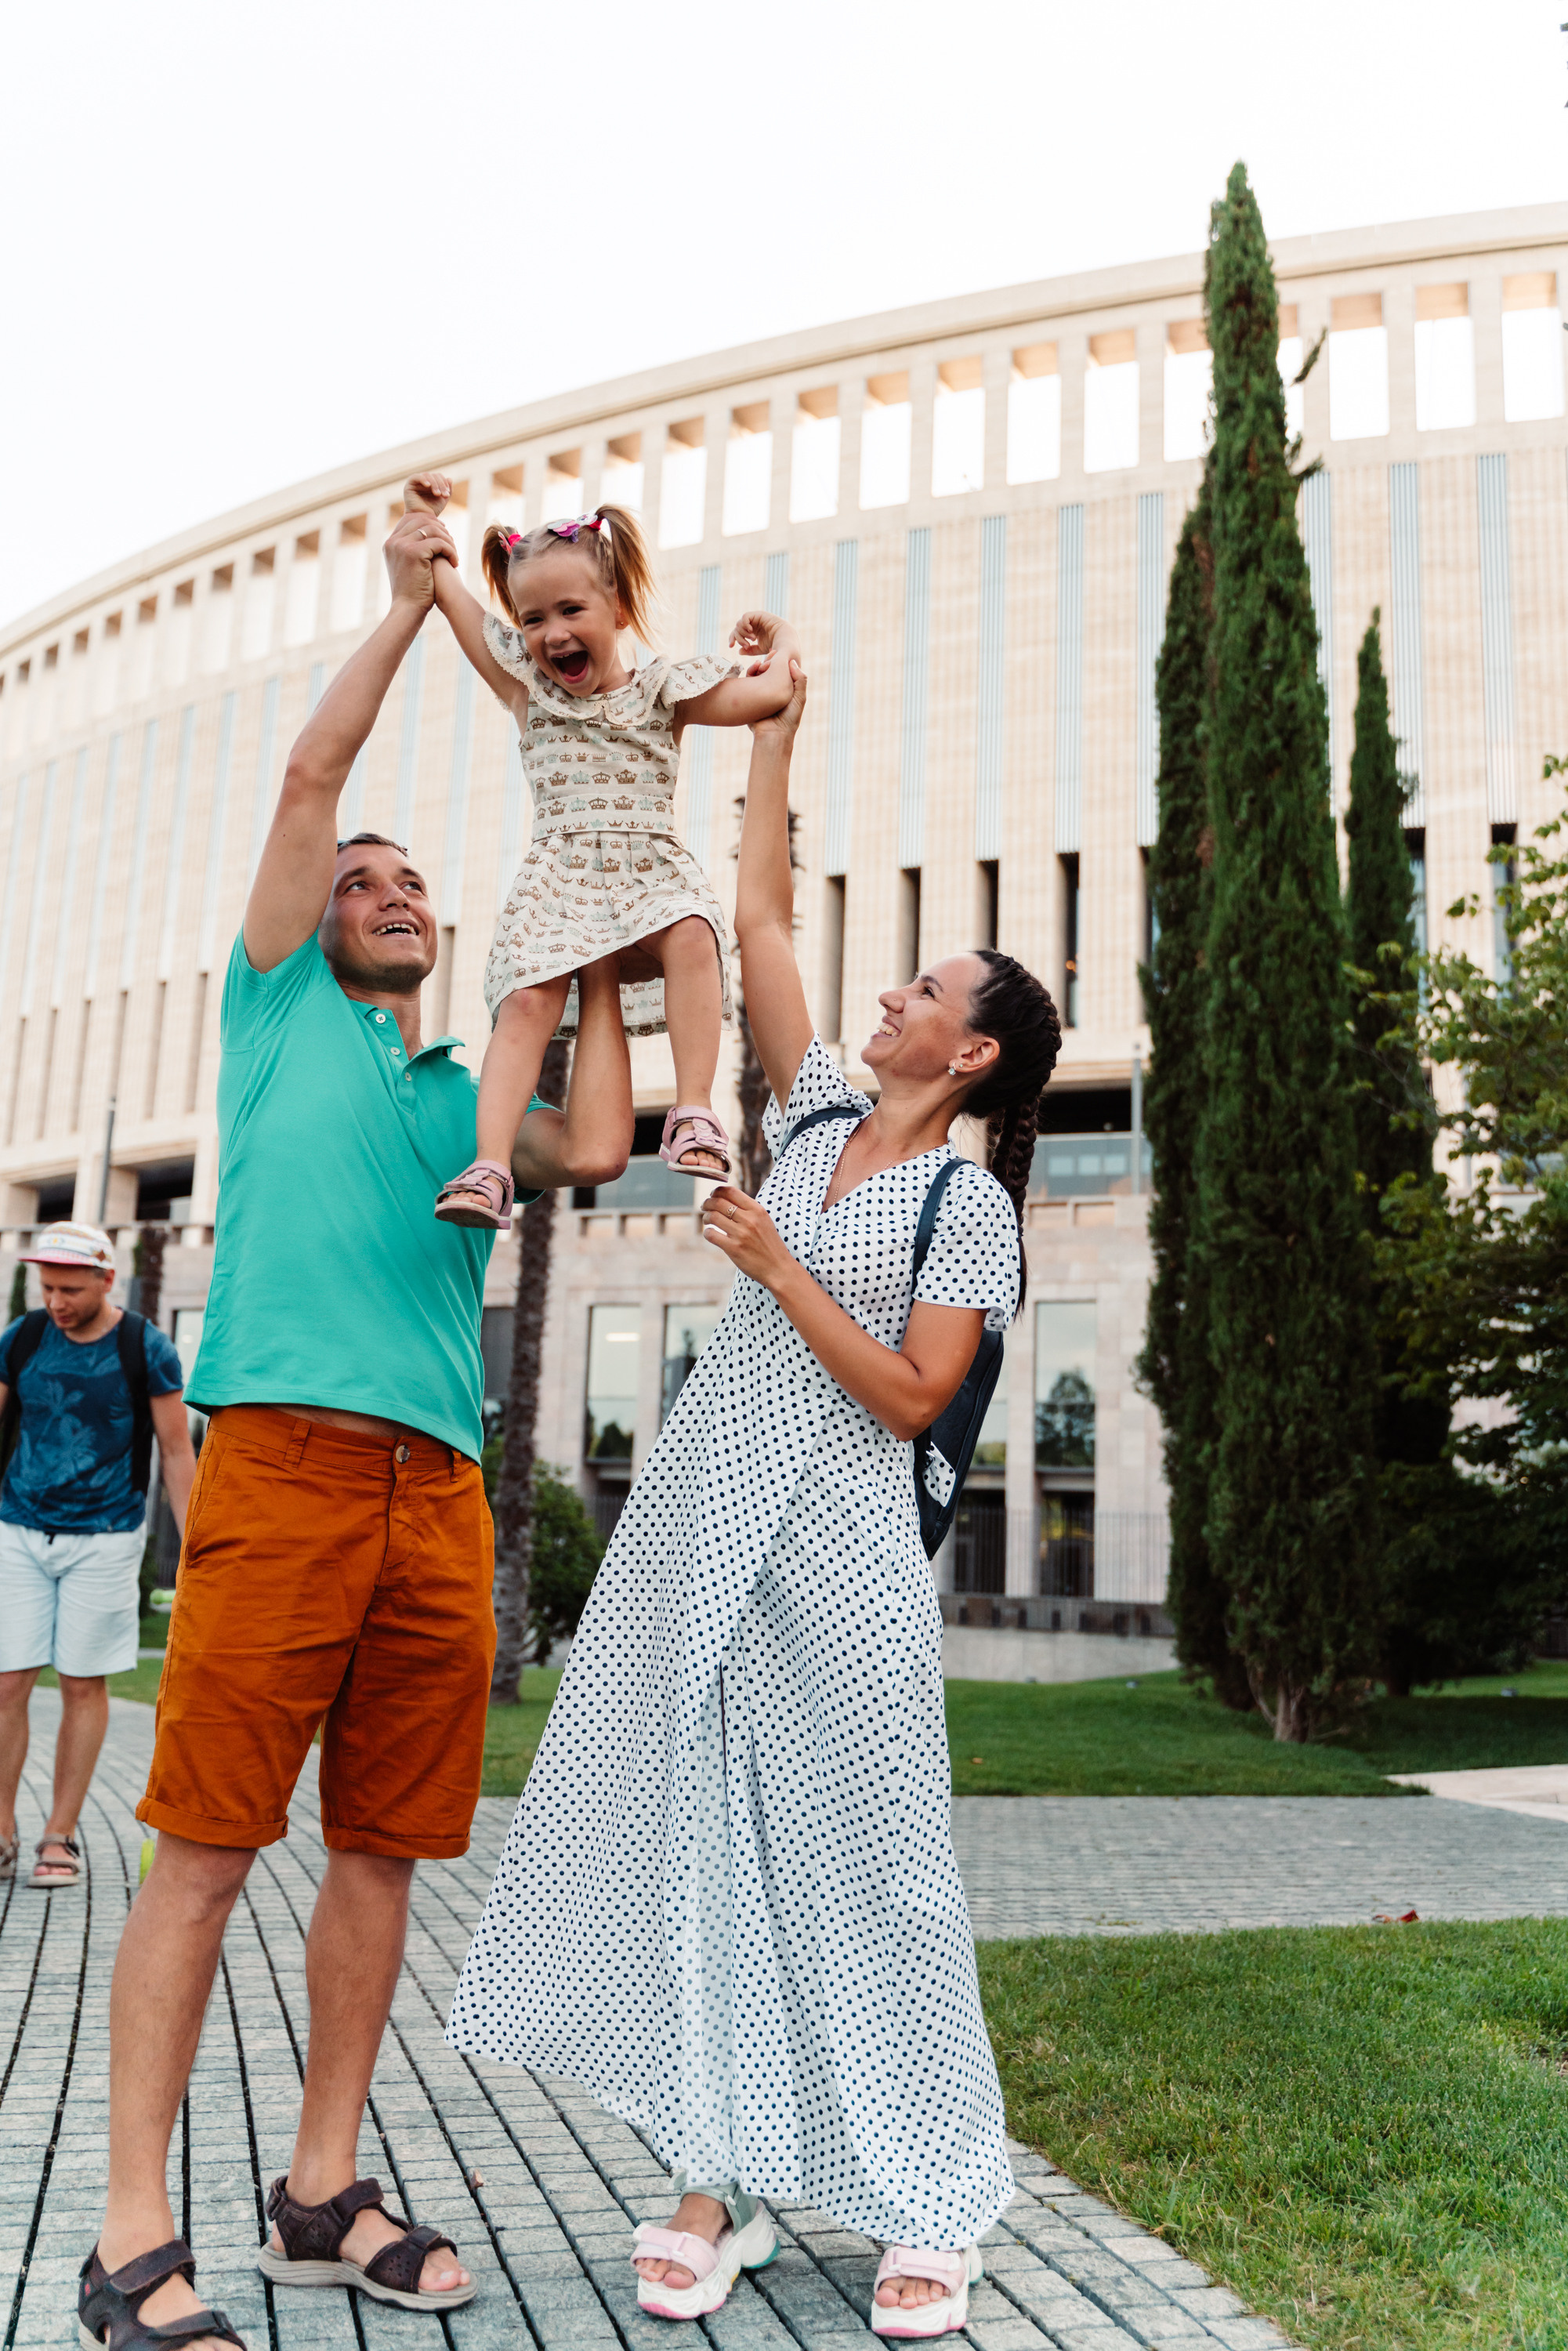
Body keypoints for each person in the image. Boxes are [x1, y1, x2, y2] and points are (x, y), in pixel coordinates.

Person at [446, 665, 1063, 2339]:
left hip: (844, 1549)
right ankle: (710, 2182)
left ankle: (932, 2197)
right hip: (705, 1517)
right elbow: (759, 912)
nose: (889, 996)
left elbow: (918, 1399)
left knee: (876, 1867)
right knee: (698, 1837)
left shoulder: (967, 1205)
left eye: (925, 989)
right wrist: (776, 727)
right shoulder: (803, 1115)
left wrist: (778, 1263)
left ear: (976, 1047)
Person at [78, 513, 636, 2351]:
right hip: (289, 1468)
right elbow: (318, 768)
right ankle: (130, 2233)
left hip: (439, 1493)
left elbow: (603, 1146)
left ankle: (321, 2187)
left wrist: (616, 940)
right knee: (210, 1848)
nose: (394, 891)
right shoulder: (273, 1014)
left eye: (414, 884)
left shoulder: (459, 1089)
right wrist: (412, 606)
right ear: (315, 917)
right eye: (367, 880)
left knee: (383, 1849)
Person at [398, 467, 802, 1220]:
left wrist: (784, 642)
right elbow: (448, 593)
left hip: (647, 870)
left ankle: (691, 1108)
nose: (551, 634)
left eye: (571, 609)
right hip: (560, 877)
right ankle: (490, 1168)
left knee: (691, 934)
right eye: (532, 618)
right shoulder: (529, 689)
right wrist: (423, 518)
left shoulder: (663, 691)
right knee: (526, 1002)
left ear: (617, 608)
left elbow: (770, 693)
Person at [0, 1221, 194, 1893]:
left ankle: (59, 1833)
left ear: (107, 1280)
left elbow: (175, 1452)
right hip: (18, 1529)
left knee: (83, 1683)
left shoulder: (146, 1346)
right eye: (48, 1287)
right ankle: (0, 1832)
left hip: (106, 1538)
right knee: (6, 1683)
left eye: (71, 1289)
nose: (57, 1301)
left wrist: (193, 1547)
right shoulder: (22, 1339)